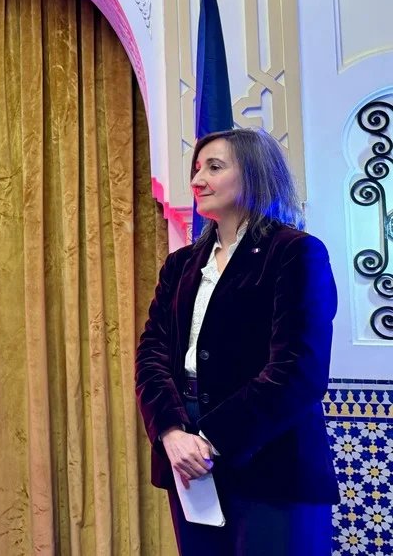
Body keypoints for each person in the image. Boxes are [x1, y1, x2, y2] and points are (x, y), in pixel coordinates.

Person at [135, 128, 338, 555]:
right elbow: (151, 354)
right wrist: (171, 431)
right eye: (196, 169)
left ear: (254, 174)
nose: (197, 180)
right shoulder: (181, 264)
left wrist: (210, 441)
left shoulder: (296, 253)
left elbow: (298, 370)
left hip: (271, 465)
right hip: (186, 459)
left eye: (214, 167)